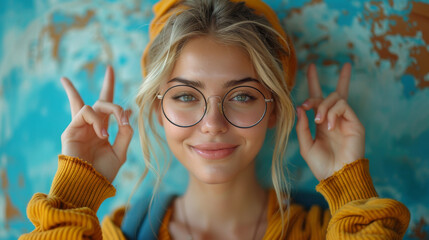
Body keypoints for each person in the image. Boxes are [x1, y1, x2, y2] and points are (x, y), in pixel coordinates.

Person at [20, 0, 410, 239]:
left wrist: (350, 191)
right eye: (186, 96)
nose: (212, 123)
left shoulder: (329, 231)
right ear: (158, 111)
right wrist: (73, 195)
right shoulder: (122, 235)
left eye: (241, 96)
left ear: (273, 108)